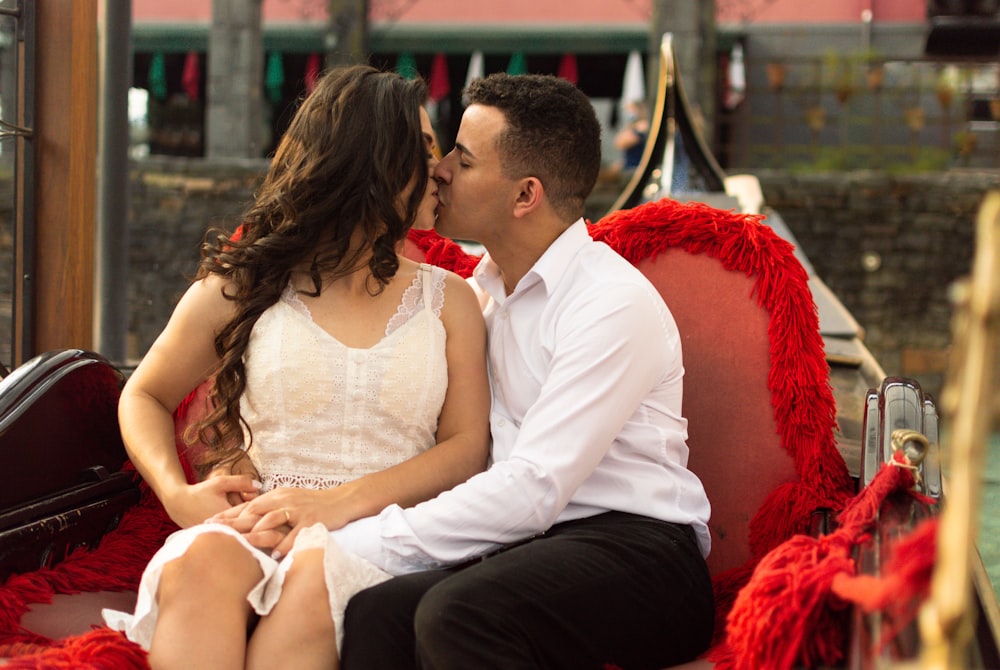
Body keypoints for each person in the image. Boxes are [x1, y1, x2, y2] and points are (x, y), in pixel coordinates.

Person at [227, 72, 715, 669]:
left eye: (464, 157)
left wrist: (341, 533)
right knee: (375, 611)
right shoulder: (473, 298)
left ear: (524, 195)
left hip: (643, 556)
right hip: (525, 549)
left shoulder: (610, 303)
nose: (441, 169)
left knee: (456, 613)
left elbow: (535, 487)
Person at [102, 64, 491, 670]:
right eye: (424, 149)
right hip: (257, 519)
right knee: (204, 561)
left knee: (313, 576)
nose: (441, 169)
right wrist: (178, 495)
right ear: (373, 161)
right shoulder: (248, 283)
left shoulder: (451, 301)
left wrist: (335, 507)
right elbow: (144, 394)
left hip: (385, 534)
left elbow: (468, 448)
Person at [614, 98, 650, 175]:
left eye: (632, 109)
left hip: (636, 170)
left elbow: (621, 143)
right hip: (630, 167)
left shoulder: (643, 126)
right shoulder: (635, 125)